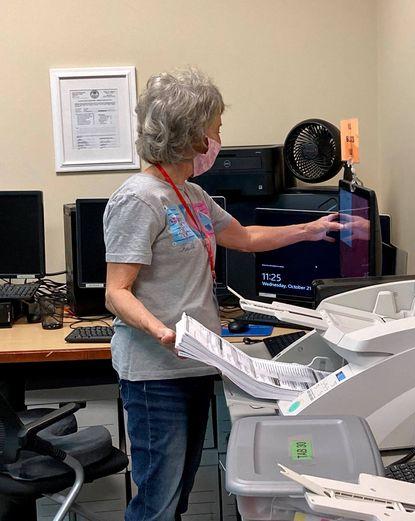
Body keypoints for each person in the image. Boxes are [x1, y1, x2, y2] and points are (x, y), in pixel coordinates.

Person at [103, 68, 341, 521]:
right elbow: (117, 292)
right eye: (214, 128)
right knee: (157, 502)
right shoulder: (140, 199)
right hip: (157, 374)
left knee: (177, 496)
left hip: (194, 363)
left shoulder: (189, 193)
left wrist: (311, 229)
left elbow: (246, 237)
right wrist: (162, 331)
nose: (218, 136)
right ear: (192, 135)